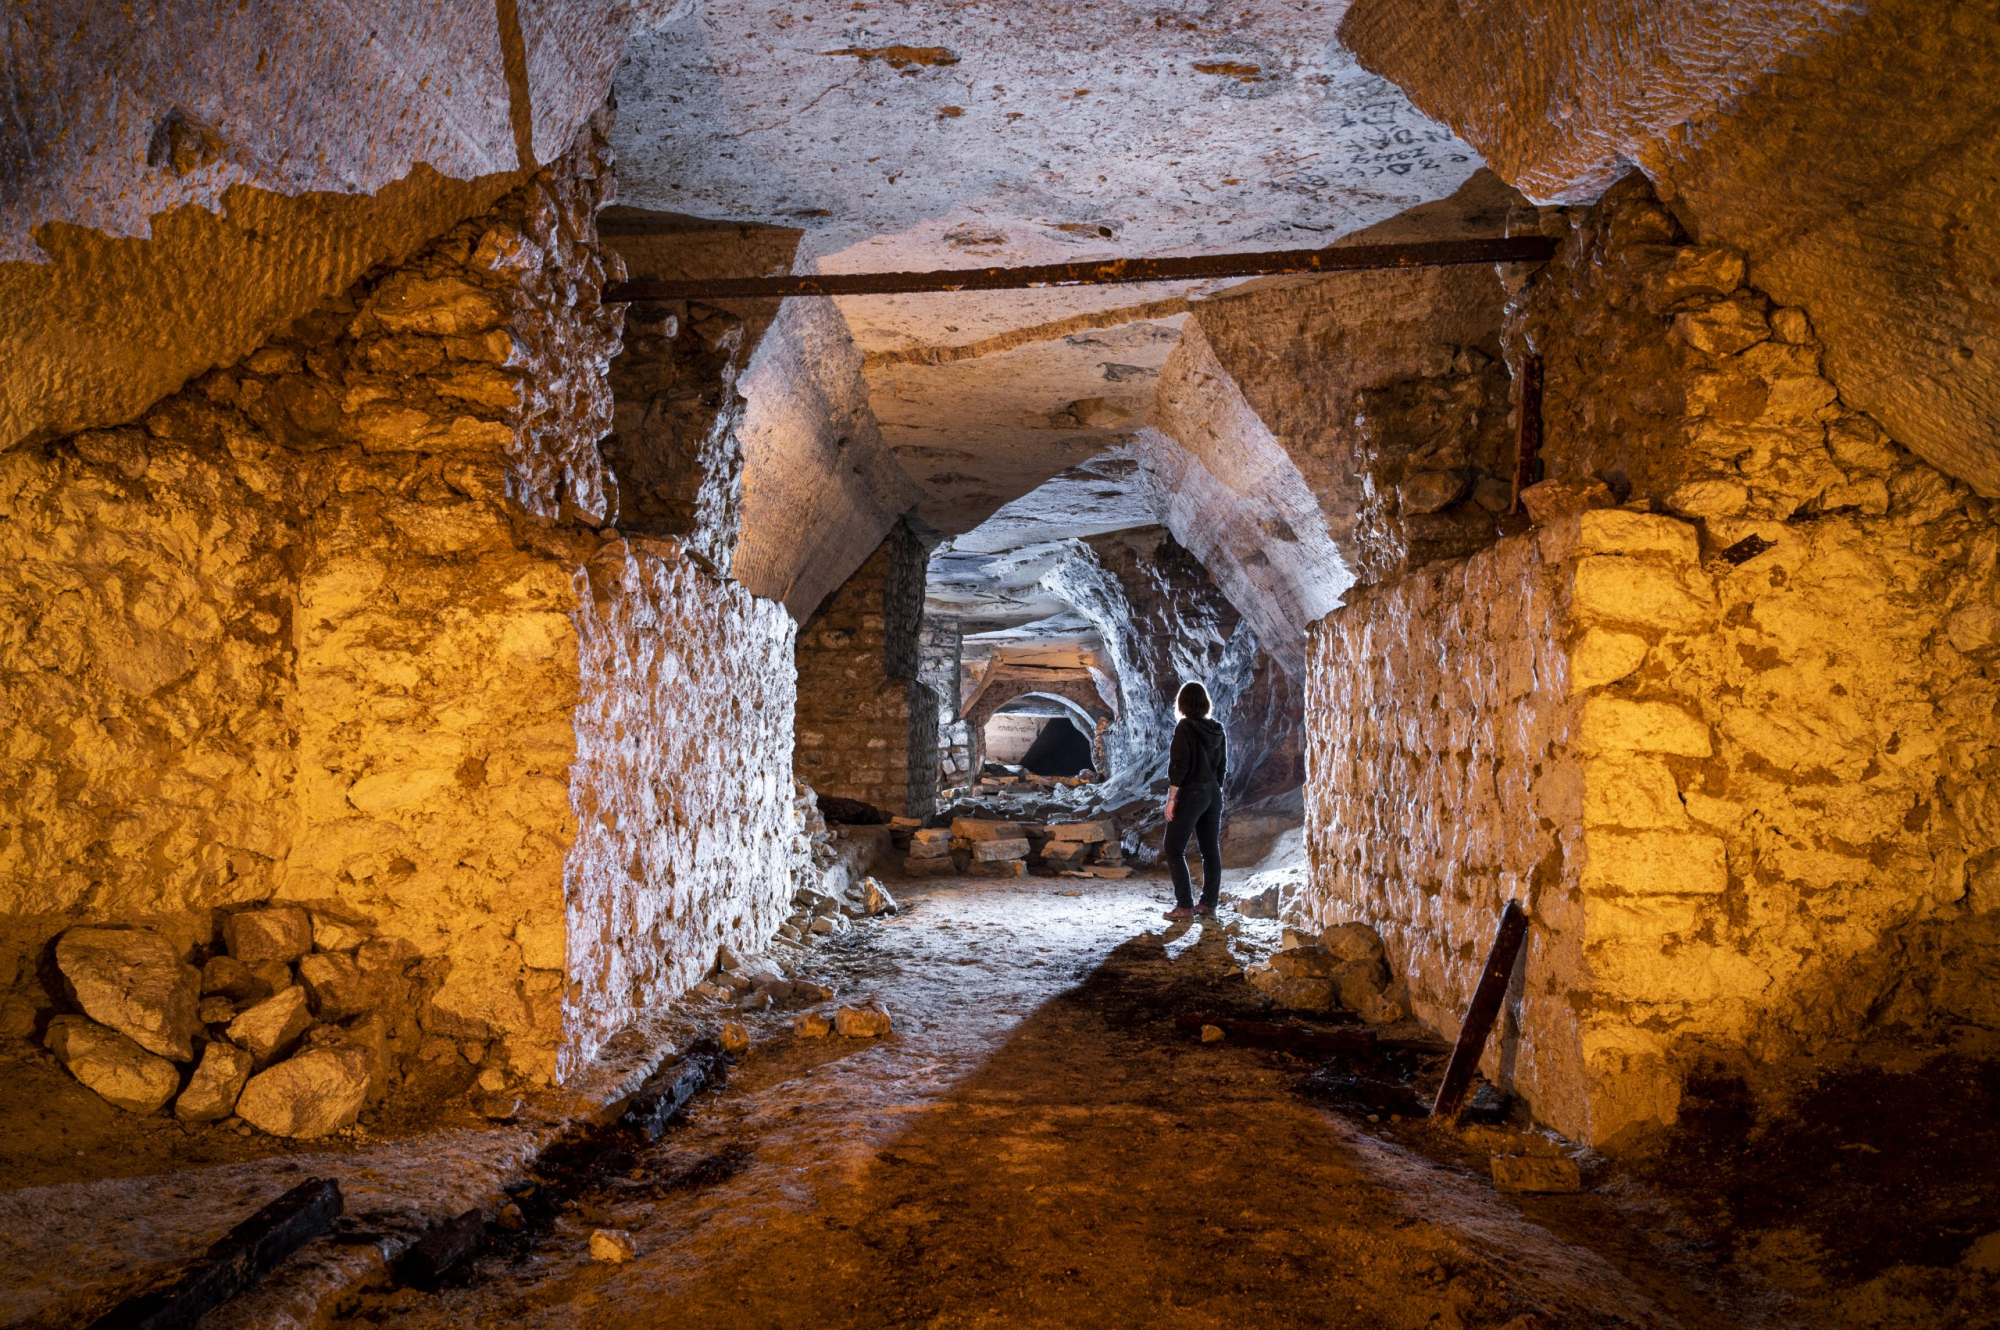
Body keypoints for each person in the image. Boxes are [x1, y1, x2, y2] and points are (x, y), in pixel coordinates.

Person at [1162, 681, 1226, 921]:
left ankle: (1185, 906)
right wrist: (1214, 790)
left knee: (1173, 848)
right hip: (1213, 792)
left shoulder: (1185, 727)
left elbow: (1179, 765)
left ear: (1183, 703)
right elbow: (1222, 766)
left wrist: (1172, 798)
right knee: (1210, 850)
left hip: (1192, 792)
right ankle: (1208, 903)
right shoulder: (1217, 729)